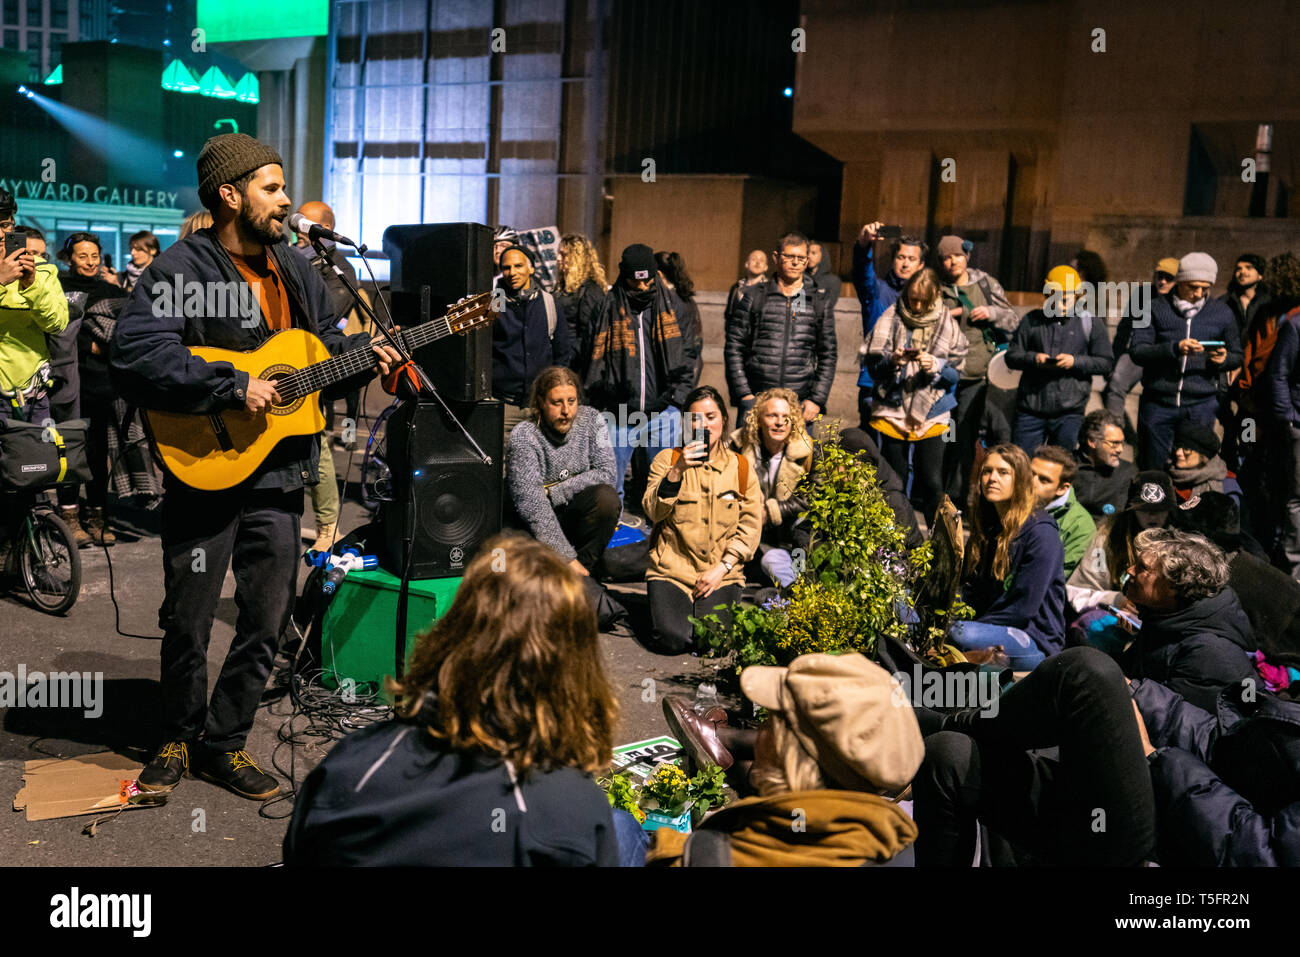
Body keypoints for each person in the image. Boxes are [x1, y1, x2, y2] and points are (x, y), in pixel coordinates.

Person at [111, 133, 402, 801]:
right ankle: (178, 734)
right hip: (204, 469)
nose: (284, 200)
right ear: (230, 194)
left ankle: (224, 742)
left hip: (277, 473)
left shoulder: (295, 267)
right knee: (188, 615)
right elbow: (135, 351)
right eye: (272, 188)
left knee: (267, 616)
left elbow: (323, 344)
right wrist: (230, 386)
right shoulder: (181, 269)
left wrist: (366, 353)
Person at [283, 533, 622, 866]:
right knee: (625, 828)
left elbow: (300, 849)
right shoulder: (572, 810)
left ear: (450, 632)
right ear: (576, 666)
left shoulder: (353, 766)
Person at [649, 653, 923, 867]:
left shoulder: (711, 854)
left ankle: (721, 745)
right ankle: (721, 747)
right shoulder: (898, 844)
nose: (761, 730)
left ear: (787, 750)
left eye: (773, 718)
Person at [913, 646, 1158, 866]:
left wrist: (1156, 756)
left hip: (1139, 842)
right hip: (1087, 811)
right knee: (947, 754)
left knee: (1088, 672)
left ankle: (948, 722)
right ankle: (947, 724)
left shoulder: (1196, 656)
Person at [643, 385, 762, 654]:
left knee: (714, 642)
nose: (704, 425)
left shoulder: (741, 467)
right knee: (672, 640)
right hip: (673, 569)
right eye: (695, 418)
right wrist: (677, 471)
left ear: (724, 420)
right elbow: (653, 512)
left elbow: (750, 527)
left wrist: (722, 568)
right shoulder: (667, 460)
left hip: (722, 570)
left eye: (711, 417)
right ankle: (662, 608)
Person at [582, 243, 696, 509]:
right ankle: (611, 541)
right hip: (619, 413)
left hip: (662, 412)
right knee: (610, 488)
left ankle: (657, 542)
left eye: (648, 280)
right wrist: (602, 403)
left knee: (662, 484)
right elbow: (590, 355)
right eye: (636, 281)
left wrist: (675, 400)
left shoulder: (673, 305)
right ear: (625, 275)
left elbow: (689, 353)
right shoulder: (606, 306)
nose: (643, 287)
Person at [57, 232, 148, 546]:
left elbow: (128, 331)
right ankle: (69, 516)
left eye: (94, 256)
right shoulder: (57, 287)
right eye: (83, 256)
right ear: (69, 258)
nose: (90, 262)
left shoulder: (111, 290)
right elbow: (56, 330)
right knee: (68, 452)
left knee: (98, 455)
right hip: (68, 383)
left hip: (104, 385)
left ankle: (98, 516)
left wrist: (107, 344)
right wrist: (85, 343)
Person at [862, 267, 967, 522]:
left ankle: (935, 540)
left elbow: (956, 375)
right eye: (913, 299)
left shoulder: (946, 323)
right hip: (893, 407)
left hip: (933, 409)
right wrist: (892, 360)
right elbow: (874, 370)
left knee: (931, 480)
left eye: (923, 300)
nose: (917, 306)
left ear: (935, 297)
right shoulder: (890, 317)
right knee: (894, 480)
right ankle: (894, 536)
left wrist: (937, 365)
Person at [953, 443, 1066, 670]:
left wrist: (963, 623)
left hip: (1032, 638)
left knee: (960, 633)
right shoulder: (989, 525)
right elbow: (971, 589)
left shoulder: (1041, 532)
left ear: (1021, 480)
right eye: (987, 471)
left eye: (1003, 472)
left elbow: (1023, 608)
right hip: (987, 625)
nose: (992, 478)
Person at [1121, 528, 1256, 713]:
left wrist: (1123, 687)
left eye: (1142, 568)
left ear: (1174, 586)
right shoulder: (1164, 618)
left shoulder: (1209, 652)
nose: (1130, 570)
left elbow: (1175, 723)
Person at [1130, 252, 1242, 471]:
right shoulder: (1153, 308)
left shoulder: (1222, 312)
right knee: (1153, 468)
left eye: (1205, 287)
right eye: (1192, 286)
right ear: (1180, 282)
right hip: (1158, 403)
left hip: (1200, 405)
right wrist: (1174, 348)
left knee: (1193, 469)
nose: (1199, 293)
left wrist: (1223, 359)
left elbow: (1238, 354)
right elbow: (1138, 350)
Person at [291, 200, 361, 550]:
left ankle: (327, 527)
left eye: (303, 225)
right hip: (284, 363)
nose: (295, 230)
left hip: (312, 369)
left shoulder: (339, 269)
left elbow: (325, 316)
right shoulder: (291, 259)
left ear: (322, 229)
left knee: (316, 445)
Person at [506, 365, 619, 576]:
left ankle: (584, 575)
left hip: (571, 514)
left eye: (571, 401)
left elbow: (608, 474)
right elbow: (534, 508)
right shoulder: (524, 436)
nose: (566, 411)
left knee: (606, 499)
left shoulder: (593, 420)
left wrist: (557, 491)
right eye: (557, 403)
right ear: (541, 402)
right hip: (532, 528)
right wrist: (566, 558)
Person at [935, 234, 1020, 506]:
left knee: (965, 438)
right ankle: (938, 493)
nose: (952, 262)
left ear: (967, 256)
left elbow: (1012, 319)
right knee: (943, 437)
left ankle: (959, 496)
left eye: (957, 256)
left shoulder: (985, 284)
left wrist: (991, 313)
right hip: (943, 377)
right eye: (947, 257)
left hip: (977, 378)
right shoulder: (936, 288)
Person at [724, 231, 836, 425]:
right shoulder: (754, 296)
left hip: (799, 403)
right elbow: (734, 346)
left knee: (798, 455)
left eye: (801, 258)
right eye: (789, 256)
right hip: (757, 399)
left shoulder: (816, 301)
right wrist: (744, 394)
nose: (795, 262)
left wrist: (817, 399)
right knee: (747, 456)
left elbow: (828, 353)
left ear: (807, 260)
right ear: (776, 257)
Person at [1006, 264, 1113, 454]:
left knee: (1062, 469)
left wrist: (1076, 361)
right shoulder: (1031, 321)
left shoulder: (1091, 323)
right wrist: (1033, 359)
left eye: (1065, 300)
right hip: (1030, 410)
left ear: (1078, 297)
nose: (1060, 305)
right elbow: (1011, 356)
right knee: (1022, 465)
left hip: (1069, 414)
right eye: (1054, 299)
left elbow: (1106, 362)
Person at [729, 387, 813, 589]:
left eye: (785, 416)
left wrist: (772, 511)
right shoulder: (738, 447)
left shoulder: (807, 451)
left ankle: (797, 591)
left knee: (774, 561)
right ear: (758, 419)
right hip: (749, 533)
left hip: (791, 540)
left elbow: (810, 498)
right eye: (772, 415)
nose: (779, 422)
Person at [1067, 471, 1176, 625]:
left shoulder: (1181, 543)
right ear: (1132, 509)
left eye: (1160, 510)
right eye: (1144, 509)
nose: (1152, 515)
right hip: (1116, 619)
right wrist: (1116, 600)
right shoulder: (1108, 539)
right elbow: (1077, 591)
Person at [0, 188, 68, 427]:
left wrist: (30, 285)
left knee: (34, 463)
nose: (1, 233)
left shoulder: (41, 269)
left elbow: (57, 324)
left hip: (29, 396)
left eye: (6, 225)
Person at [493, 244, 572, 439]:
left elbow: (562, 353)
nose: (512, 272)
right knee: (501, 463)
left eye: (518, 266)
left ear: (531, 268)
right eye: (507, 268)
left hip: (540, 405)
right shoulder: (494, 303)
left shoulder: (548, 302)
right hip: (504, 404)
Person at [853, 223, 928, 427]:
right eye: (901, 257)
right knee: (872, 454)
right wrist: (864, 245)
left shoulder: (929, 299)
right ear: (893, 259)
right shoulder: (877, 291)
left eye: (911, 259)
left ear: (920, 265)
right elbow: (862, 273)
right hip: (875, 386)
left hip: (915, 388)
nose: (905, 264)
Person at [1103, 256, 1179, 423]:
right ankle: (1115, 431)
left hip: (1167, 354)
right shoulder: (1144, 294)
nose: (1163, 282)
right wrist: (1114, 360)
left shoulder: (1180, 301)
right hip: (1141, 350)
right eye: (1160, 277)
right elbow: (1125, 328)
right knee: (1115, 383)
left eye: (1169, 278)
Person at [1029, 445, 1095, 578]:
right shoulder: (1011, 500)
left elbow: (1057, 575)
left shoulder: (1080, 525)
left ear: (1062, 488)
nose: (1031, 482)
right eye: (1030, 474)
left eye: (1044, 480)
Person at [1070, 409, 1136, 520]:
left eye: (1122, 443)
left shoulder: (1127, 472)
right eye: (1114, 443)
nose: (1120, 449)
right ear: (1092, 441)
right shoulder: (1067, 466)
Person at [555, 233, 607, 363]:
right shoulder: (562, 287)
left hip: (573, 363)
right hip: (560, 357)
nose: (558, 259)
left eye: (563, 254)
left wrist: (568, 357)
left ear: (576, 258)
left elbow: (588, 334)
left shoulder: (590, 291)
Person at [655, 250, 703, 387]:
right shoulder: (688, 301)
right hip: (682, 381)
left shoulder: (669, 302)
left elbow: (692, 349)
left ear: (658, 274)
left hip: (673, 383)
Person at [1167, 419, 1241, 505]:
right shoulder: (1166, 476)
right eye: (1177, 447)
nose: (1178, 453)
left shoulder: (1227, 487)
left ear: (1203, 455)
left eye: (1186, 450)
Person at [725, 248, 769, 317]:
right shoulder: (736, 288)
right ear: (746, 264)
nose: (758, 262)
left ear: (766, 267)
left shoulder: (770, 289)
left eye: (762, 260)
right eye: (754, 259)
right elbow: (729, 314)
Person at [805, 239, 839, 310]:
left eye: (813, 253)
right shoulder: (800, 278)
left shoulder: (833, 281)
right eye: (807, 253)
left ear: (823, 255)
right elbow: (797, 307)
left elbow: (827, 307)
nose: (809, 256)